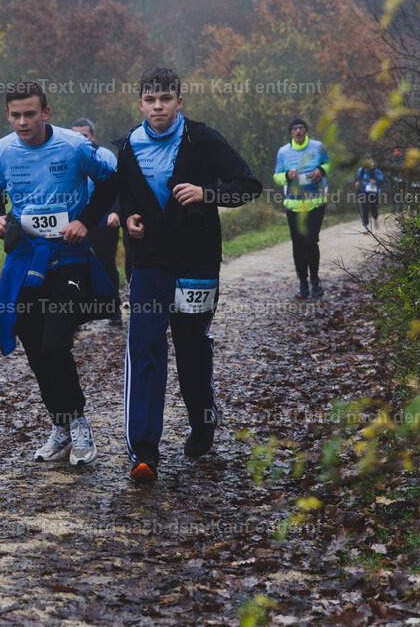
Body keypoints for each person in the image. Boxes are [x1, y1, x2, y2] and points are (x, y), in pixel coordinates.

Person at [114, 67, 261, 482]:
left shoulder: (203, 139)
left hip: (197, 261)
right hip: (148, 263)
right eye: (150, 99)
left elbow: (248, 185)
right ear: (140, 103)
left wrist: (206, 193)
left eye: (166, 99)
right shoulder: (128, 145)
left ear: (179, 102)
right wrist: (128, 218)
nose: (158, 105)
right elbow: (123, 195)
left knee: (191, 343)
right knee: (144, 347)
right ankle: (144, 450)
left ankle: (203, 421)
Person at [0, 81, 119, 467]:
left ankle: (78, 424)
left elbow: (110, 182)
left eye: (30, 113)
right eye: (15, 115)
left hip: (69, 257)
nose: (22, 122)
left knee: (55, 343)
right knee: (34, 344)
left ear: (46, 112)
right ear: (8, 115)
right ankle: (60, 426)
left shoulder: (73, 146)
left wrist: (86, 222)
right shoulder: (3, 150)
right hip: (26, 258)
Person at [72, 117, 123, 326]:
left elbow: (117, 186)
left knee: (106, 265)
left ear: (92, 135)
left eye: (83, 135)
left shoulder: (106, 155)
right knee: (73, 268)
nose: (79, 138)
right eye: (75, 134)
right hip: (75, 221)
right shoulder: (68, 154)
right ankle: (72, 316)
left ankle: (113, 310)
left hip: (104, 221)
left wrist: (116, 213)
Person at [274, 117, 330, 299]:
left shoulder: (317, 146)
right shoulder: (283, 152)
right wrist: (287, 176)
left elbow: (328, 164)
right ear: (291, 132)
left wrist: (321, 171)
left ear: (306, 131)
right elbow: (277, 177)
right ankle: (302, 283)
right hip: (293, 206)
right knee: (298, 245)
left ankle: (314, 279)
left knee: (311, 242)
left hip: (314, 203)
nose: (298, 131)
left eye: (301, 128)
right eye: (295, 128)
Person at [355, 156, 385, 232]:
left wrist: (375, 181)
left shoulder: (376, 170)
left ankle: (375, 220)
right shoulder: (361, 170)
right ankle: (366, 226)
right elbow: (358, 179)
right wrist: (357, 183)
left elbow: (382, 180)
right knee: (365, 208)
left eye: (370, 160)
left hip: (374, 192)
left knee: (373, 208)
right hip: (363, 191)